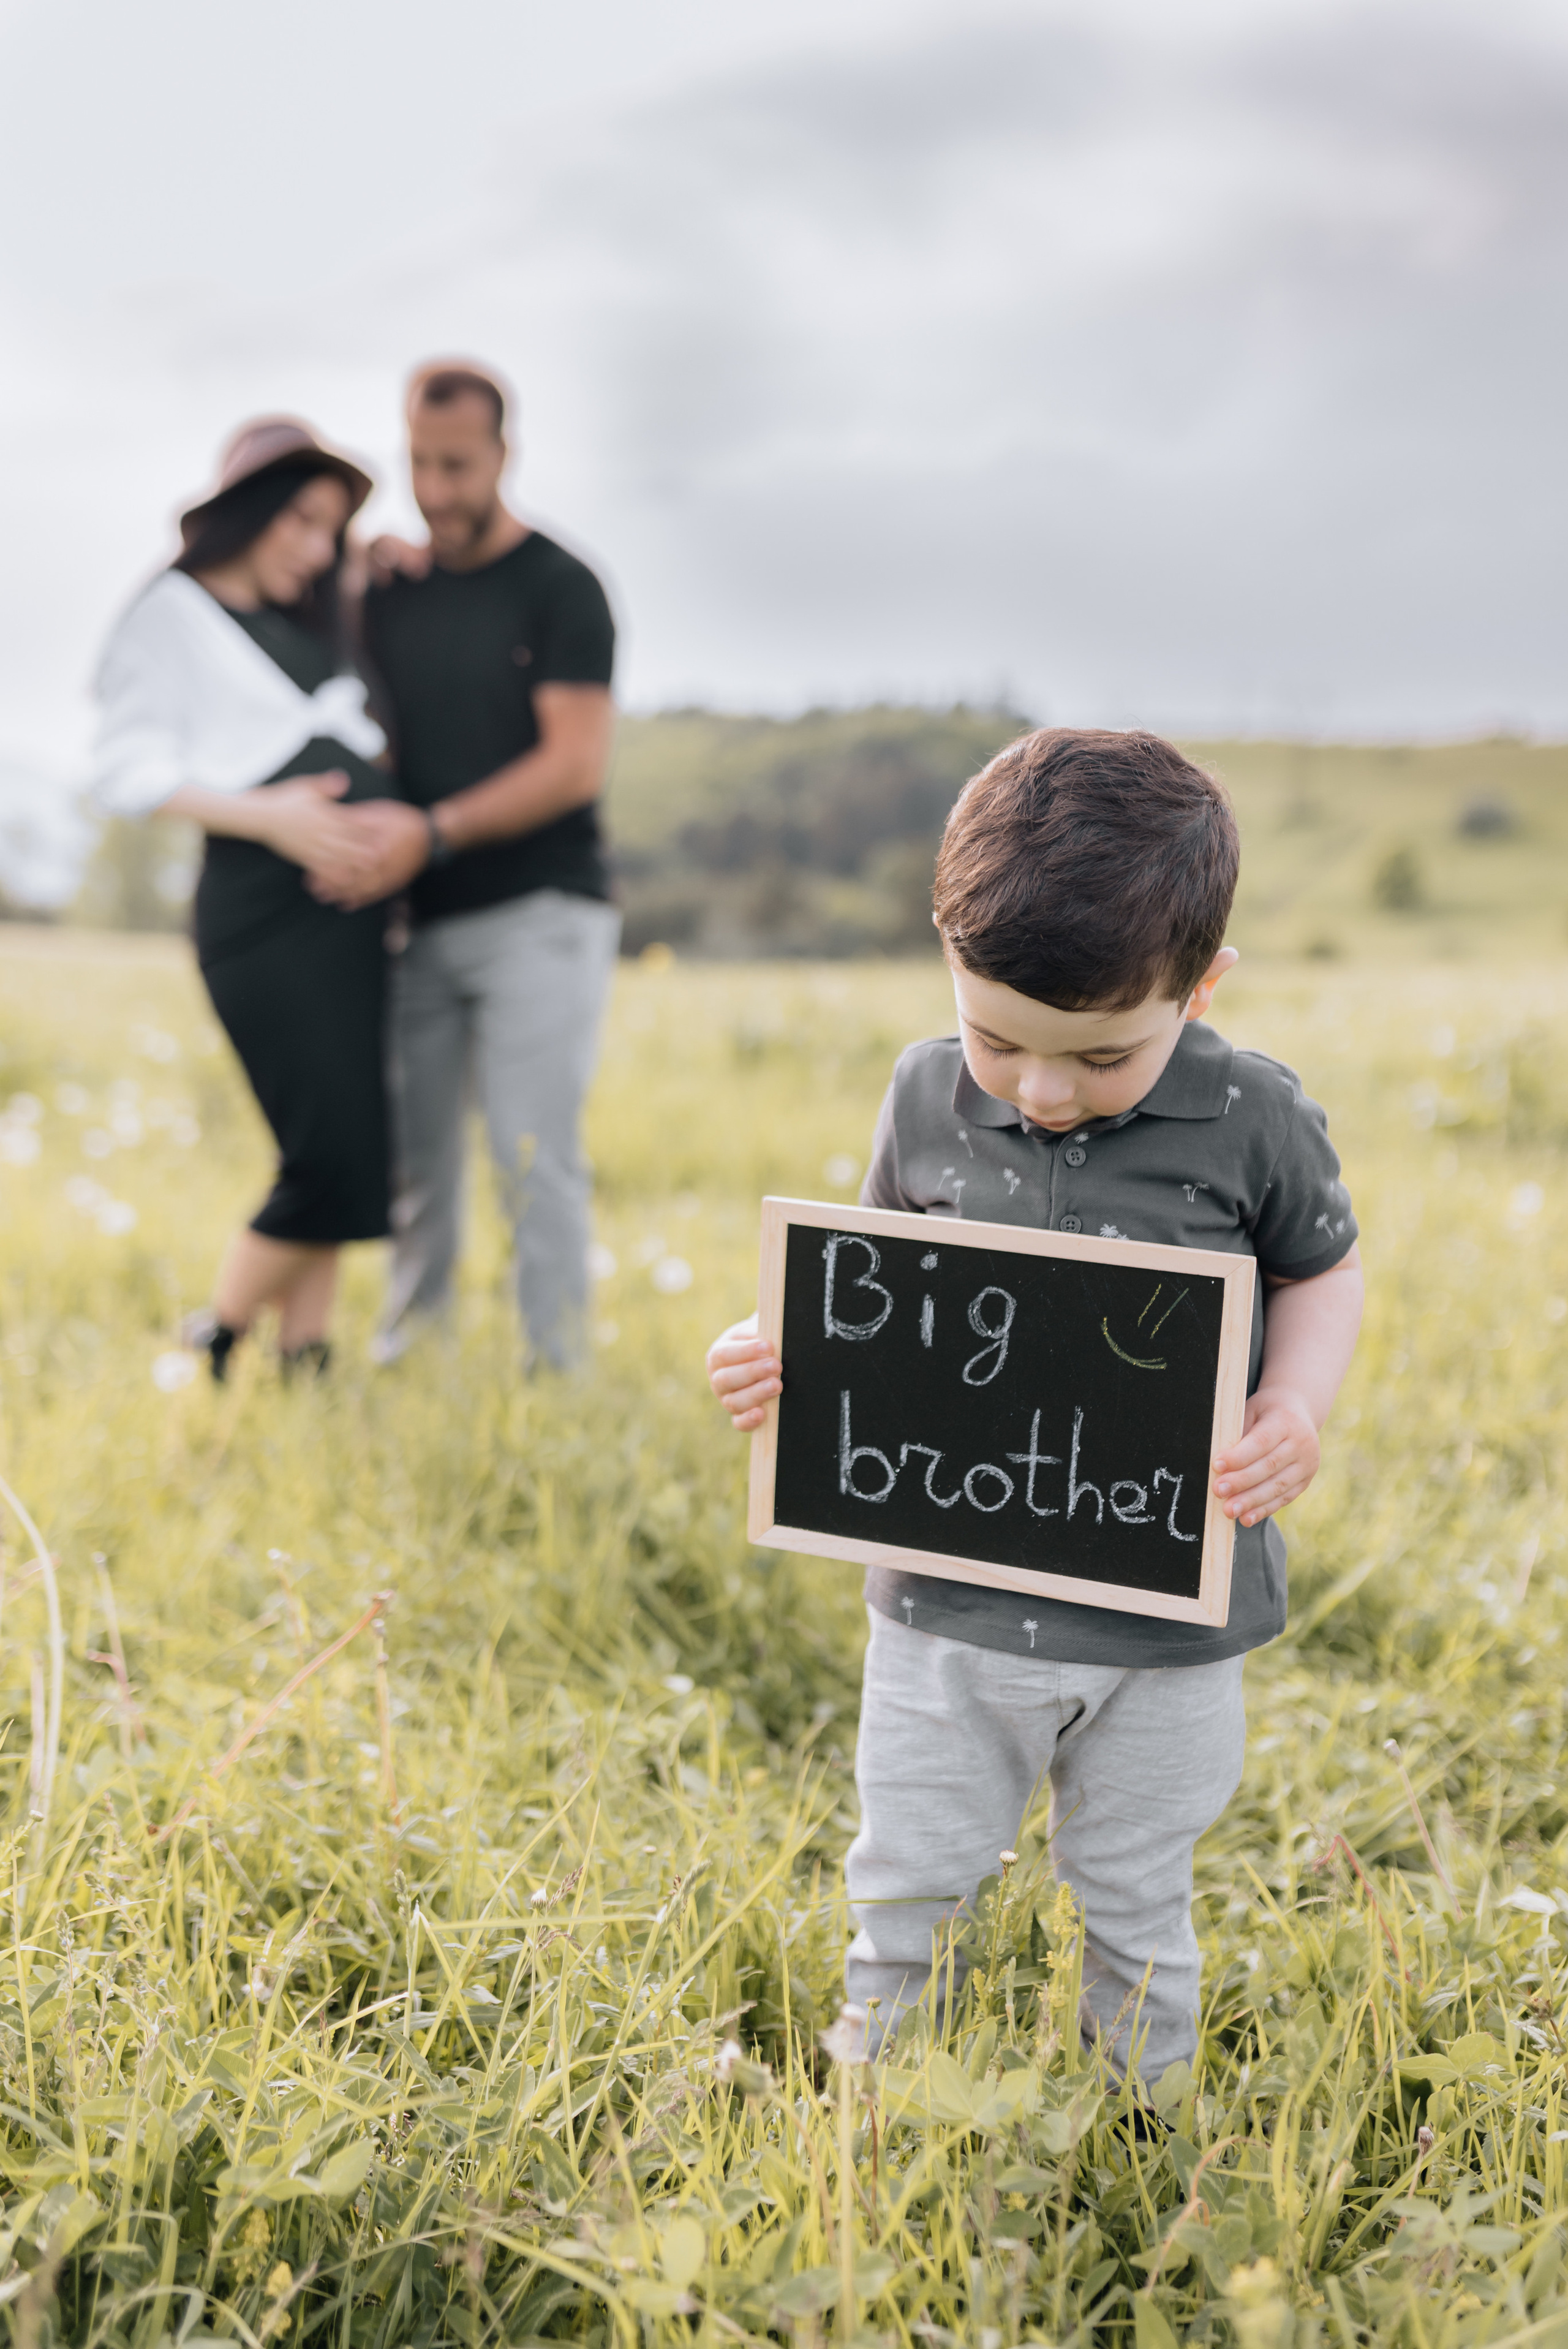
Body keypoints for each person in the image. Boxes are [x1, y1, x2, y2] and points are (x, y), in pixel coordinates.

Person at [707, 728, 1364, 2085]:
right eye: (996, 1040)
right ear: (945, 959)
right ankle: (872, 2095)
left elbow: (1320, 1267)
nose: (1046, 1093)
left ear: (1201, 987)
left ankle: (1139, 2115)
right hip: (946, 1602)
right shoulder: (920, 1097)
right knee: (909, 1871)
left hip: (1165, 1617)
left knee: (1133, 1888)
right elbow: (870, 1285)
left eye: (1103, 1058)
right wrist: (774, 1352)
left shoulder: (1251, 1117)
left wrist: (1291, 1404)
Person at [317, 360, 619, 1371]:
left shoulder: (563, 586)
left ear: (503, 454)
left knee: (532, 1158)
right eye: (418, 464)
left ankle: (559, 1377)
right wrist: (362, 548)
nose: (437, 491)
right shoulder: (390, 589)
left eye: (457, 465)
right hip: (420, 923)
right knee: (418, 1167)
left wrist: (432, 830)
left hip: (542, 912)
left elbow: (574, 764)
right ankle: (411, 1358)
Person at [93, 418, 402, 1380]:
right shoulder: (172, 613)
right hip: (263, 918)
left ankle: (305, 1356)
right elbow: (129, 771)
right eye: (301, 521)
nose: (316, 548)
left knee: (352, 1149)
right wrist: (268, 817)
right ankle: (215, 1335)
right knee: (327, 1158)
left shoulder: (317, 618)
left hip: (345, 922)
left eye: (333, 530)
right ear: (251, 510)